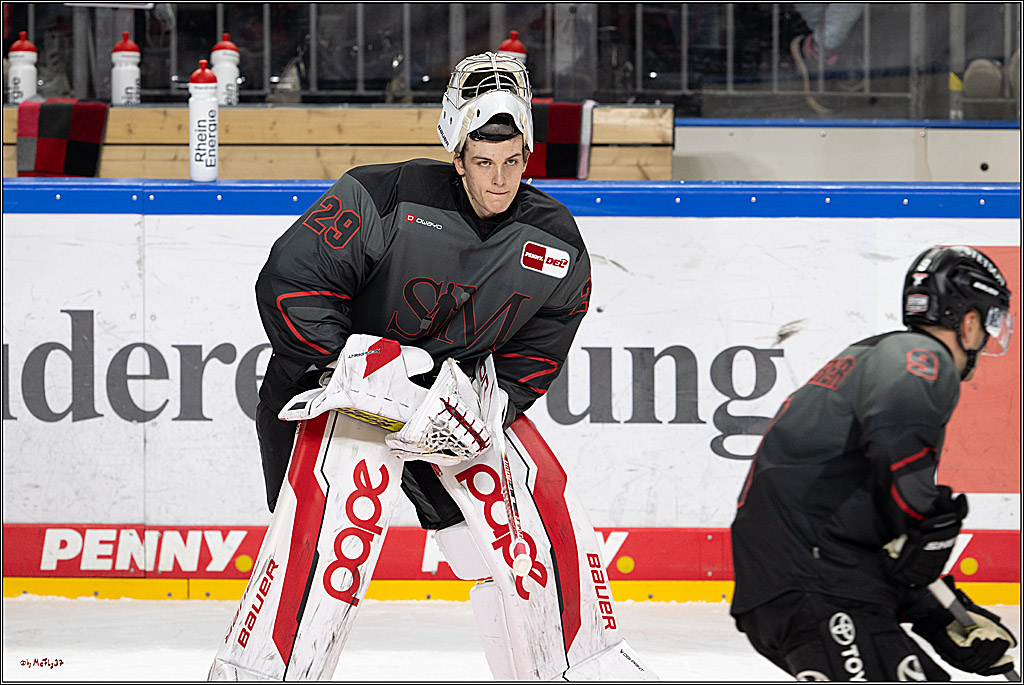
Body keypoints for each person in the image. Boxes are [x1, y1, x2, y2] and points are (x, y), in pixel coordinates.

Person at [222, 52, 653, 681]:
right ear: (457, 155)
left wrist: (499, 399)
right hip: (340, 391)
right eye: (483, 162)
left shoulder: (555, 241)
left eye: (512, 162)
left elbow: (547, 334)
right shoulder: (380, 194)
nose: (499, 180)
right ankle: (261, 672)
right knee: (334, 528)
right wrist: (357, 363)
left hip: (448, 402)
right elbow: (290, 285)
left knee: (526, 510)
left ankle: (572, 667)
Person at [730, 245, 1017, 681]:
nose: (985, 339)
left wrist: (942, 616)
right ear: (970, 320)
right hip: (815, 586)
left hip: (806, 583)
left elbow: (877, 532)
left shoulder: (871, 355)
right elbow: (899, 459)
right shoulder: (921, 358)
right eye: (988, 322)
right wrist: (927, 519)